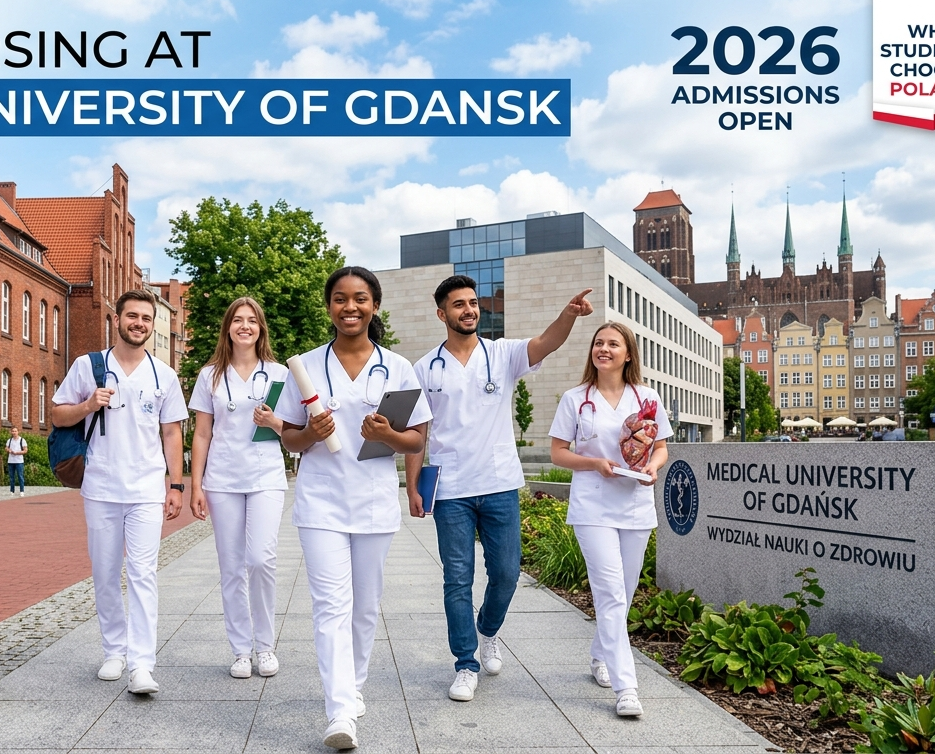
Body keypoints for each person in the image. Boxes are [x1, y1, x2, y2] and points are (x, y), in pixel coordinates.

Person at [403, 275, 593, 702]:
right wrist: (414, 486)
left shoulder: (502, 353)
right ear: (442, 313)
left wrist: (568, 315)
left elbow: (546, 343)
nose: (469, 310)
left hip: (500, 482)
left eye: (473, 303)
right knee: (457, 579)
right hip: (450, 487)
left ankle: (487, 630)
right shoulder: (424, 368)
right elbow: (418, 431)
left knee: (507, 572)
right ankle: (465, 663)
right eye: (458, 305)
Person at [275, 267, 431, 751]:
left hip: (373, 501)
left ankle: (354, 684)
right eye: (340, 299)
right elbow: (287, 434)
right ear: (329, 307)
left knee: (365, 606)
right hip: (321, 499)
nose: (350, 307)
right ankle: (339, 710)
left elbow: (417, 438)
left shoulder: (398, 368)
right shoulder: (303, 365)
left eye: (360, 299)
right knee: (330, 606)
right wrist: (310, 435)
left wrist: (386, 435)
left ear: (374, 307)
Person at [52, 289, 188, 696]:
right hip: (101, 485)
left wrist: (176, 485)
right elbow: (58, 415)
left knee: (144, 574)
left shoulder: (164, 375)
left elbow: (172, 433)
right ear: (118, 320)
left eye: (147, 318)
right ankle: (115, 650)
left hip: (146, 488)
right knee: (106, 572)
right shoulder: (88, 367)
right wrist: (88, 404)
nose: (140, 324)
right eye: (133, 317)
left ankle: (143, 663)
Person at [548, 322, 672, 718]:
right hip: (593, 505)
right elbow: (557, 453)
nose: (604, 349)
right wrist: (593, 464)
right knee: (610, 593)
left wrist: (652, 468)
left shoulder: (647, 397)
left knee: (627, 588)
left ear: (628, 354)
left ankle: (601, 655)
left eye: (612, 344)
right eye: (598, 343)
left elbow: (662, 448)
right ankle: (626, 687)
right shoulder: (575, 399)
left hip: (636, 503)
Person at [188, 297, 290, 680]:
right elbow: (201, 433)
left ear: (261, 328)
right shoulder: (210, 375)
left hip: (265, 475)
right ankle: (240, 650)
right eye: (238, 320)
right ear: (228, 328)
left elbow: (295, 428)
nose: (244, 326)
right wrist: (195, 485)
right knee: (231, 566)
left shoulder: (280, 373)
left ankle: (265, 646)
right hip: (223, 479)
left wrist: (276, 421)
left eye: (252, 321)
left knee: (261, 559)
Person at [6, 426, 28, 496]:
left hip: (19, 461)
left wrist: (17, 453)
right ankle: (12, 490)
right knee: (11, 477)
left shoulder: (22, 440)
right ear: (11, 432)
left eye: (15, 431)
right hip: (11, 461)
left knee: (20, 476)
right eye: (13, 431)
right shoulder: (9, 440)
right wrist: (9, 450)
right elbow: (6, 448)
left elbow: (25, 450)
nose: (14, 433)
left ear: (18, 432)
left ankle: (22, 490)